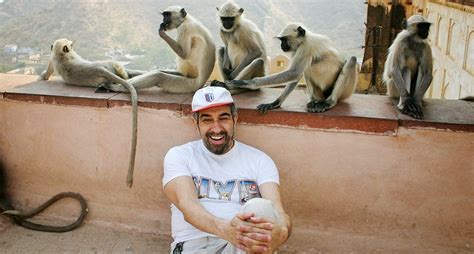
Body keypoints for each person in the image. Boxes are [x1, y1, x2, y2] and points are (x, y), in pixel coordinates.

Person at [163, 86, 291, 253]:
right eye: (207, 120)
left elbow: (278, 213)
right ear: (196, 123)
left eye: (223, 118)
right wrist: (229, 231)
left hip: (242, 246)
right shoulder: (180, 155)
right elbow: (188, 207)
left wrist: (277, 236)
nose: (216, 128)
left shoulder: (260, 160)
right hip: (195, 245)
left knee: (261, 207)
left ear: (234, 119)